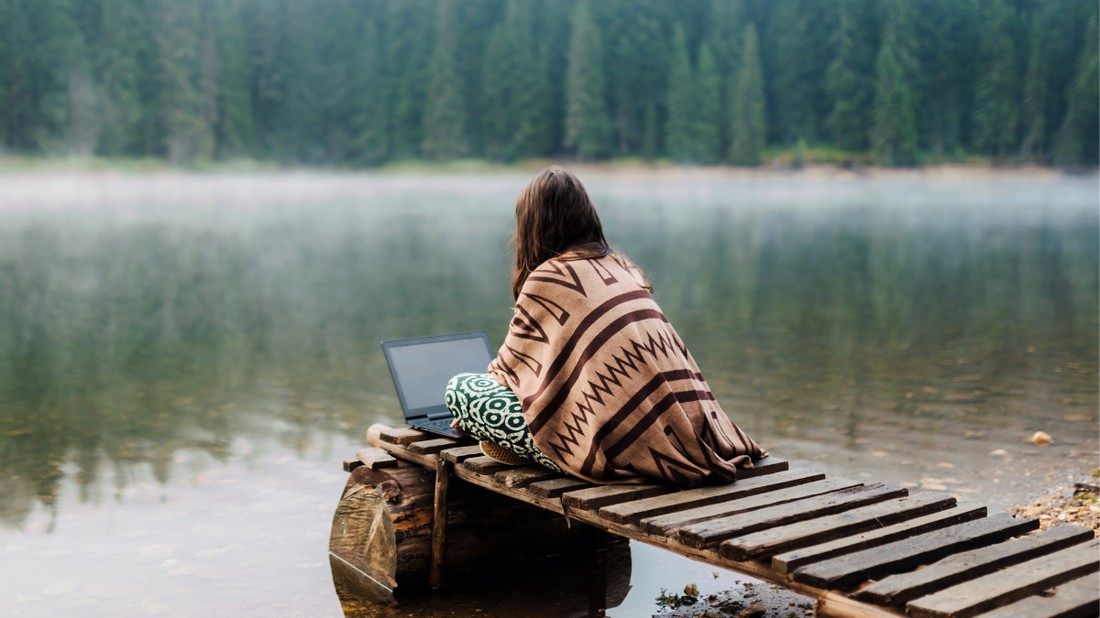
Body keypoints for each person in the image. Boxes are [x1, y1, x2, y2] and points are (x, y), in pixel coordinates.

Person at [445, 167, 764, 487]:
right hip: (677, 432)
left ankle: (525, 445)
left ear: (530, 226)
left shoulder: (547, 279)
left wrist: (474, 417)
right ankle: (518, 442)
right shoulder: (623, 267)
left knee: (461, 390)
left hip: (606, 450)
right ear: (586, 216)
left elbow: (506, 372)